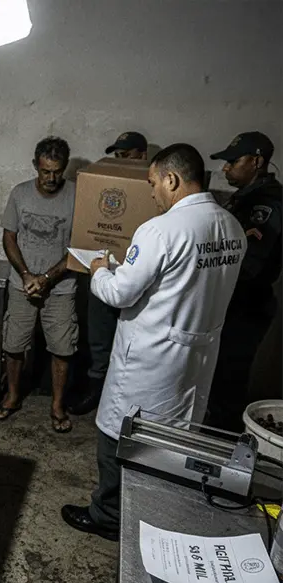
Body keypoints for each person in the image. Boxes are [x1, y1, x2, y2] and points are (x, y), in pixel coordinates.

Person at [61, 144, 246, 540]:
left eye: (153, 183)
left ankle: (109, 516)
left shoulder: (161, 229)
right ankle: (154, 514)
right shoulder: (230, 228)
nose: (152, 194)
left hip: (150, 358)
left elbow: (119, 294)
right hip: (196, 358)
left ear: (172, 179)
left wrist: (99, 270)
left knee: (116, 434)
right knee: (173, 440)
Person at [0, 136, 77, 433]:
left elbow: (79, 248)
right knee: (14, 345)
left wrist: (47, 278)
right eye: (45, 171)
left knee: (62, 348)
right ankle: (13, 395)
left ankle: (56, 406)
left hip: (61, 286)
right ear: (35, 166)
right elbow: (9, 237)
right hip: (22, 284)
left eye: (57, 171)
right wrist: (28, 275)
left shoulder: (77, 196)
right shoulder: (19, 194)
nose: (51, 178)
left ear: (64, 167)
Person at [205, 132, 283, 431]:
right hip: (228, 303)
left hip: (245, 306)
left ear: (257, 161)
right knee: (216, 376)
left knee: (228, 378)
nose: (225, 169)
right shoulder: (243, 198)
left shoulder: (268, 205)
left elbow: (251, 266)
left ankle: (221, 445)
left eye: (232, 161)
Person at [69, 131, 150, 417]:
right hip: (103, 274)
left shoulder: (153, 190)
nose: (120, 161)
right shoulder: (103, 180)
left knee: (131, 344)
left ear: (142, 155)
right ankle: (96, 389)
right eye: (117, 155)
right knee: (99, 336)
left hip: (138, 279)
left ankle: (125, 402)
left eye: (126, 155)